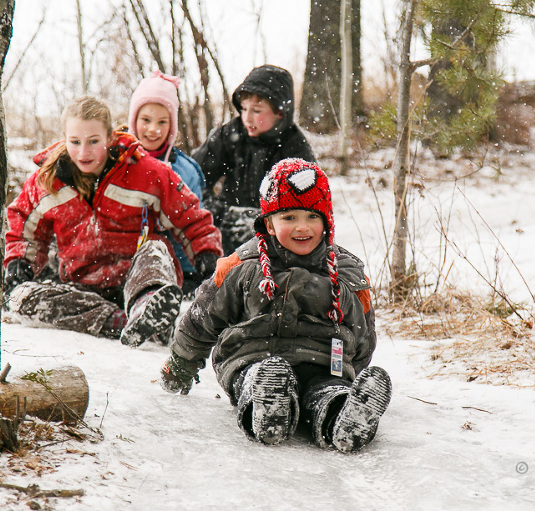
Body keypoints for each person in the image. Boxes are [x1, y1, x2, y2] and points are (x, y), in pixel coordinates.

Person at [160, 158, 391, 453]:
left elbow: (362, 334)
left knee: (327, 392)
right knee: (257, 378)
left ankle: (344, 416)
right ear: (268, 223)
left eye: (312, 216)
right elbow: (203, 316)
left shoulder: (345, 272)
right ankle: (267, 408)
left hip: (321, 365)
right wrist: (182, 364)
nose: (302, 227)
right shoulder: (244, 265)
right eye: (289, 218)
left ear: (327, 220)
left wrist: (350, 372)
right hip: (252, 357)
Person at [3, 96, 222, 347]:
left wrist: (206, 253)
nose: (83, 152)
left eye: (93, 141)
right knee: (20, 298)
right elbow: (24, 228)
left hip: (139, 275)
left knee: (156, 250)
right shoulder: (47, 182)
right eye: (75, 142)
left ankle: (149, 307)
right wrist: (20, 261)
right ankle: (119, 321)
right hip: (84, 288)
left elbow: (189, 215)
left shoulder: (147, 171)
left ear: (109, 138)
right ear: (64, 139)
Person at [193, 65, 316, 256]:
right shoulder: (230, 134)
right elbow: (194, 178)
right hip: (224, 230)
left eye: (257, 111)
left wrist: (263, 222)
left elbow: (307, 208)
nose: (247, 118)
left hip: (275, 241)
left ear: (280, 113)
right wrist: (216, 212)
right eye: (243, 109)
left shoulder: (295, 149)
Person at [127, 70, 207, 294]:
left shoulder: (185, 171)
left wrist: (191, 270)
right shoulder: (118, 163)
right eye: (146, 120)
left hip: (176, 267)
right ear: (134, 121)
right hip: (124, 262)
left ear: (172, 127)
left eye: (162, 122)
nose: (153, 129)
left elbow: (193, 223)